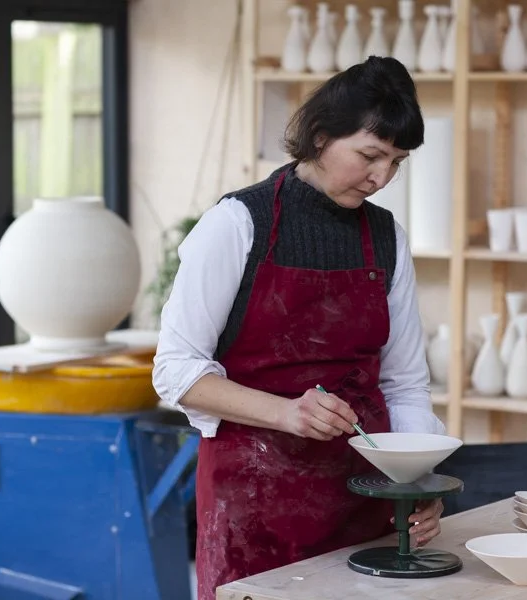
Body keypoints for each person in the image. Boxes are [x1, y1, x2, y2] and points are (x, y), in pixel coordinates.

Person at [152, 55, 447, 600]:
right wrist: (287, 413)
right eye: (370, 156)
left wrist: (415, 484)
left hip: (363, 503)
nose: (382, 178)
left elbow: (404, 384)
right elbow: (175, 372)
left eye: (397, 162)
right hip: (252, 505)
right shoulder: (237, 224)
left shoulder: (387, 238)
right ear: (319, 136)